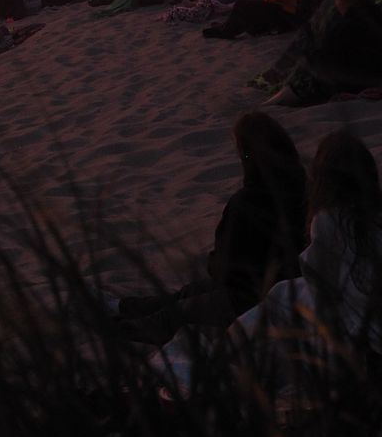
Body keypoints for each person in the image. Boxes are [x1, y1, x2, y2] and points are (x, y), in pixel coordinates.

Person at [117, 113, 306, 344]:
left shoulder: (246, 202)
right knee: (189, 292)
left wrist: (216, 265)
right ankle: (134, 307)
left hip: (252, 298)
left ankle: (123, 326)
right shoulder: (302, 187)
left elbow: (225, 268)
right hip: (276, 287)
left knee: (177, 313)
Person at [227, 131, 382, 367]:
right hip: (361, 310)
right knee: (282, 294)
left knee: (278, 302)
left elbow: (322, 286)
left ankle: (230, 357)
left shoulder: (329, 221)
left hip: (352, 320)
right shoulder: (373, 216)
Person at [264, 0, 382, 106]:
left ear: (341, 1)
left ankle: (271, 101)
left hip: (358, 78)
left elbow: (326, 57)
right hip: (372, 72)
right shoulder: (373, 13)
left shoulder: (344, 26)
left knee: (306, 70)